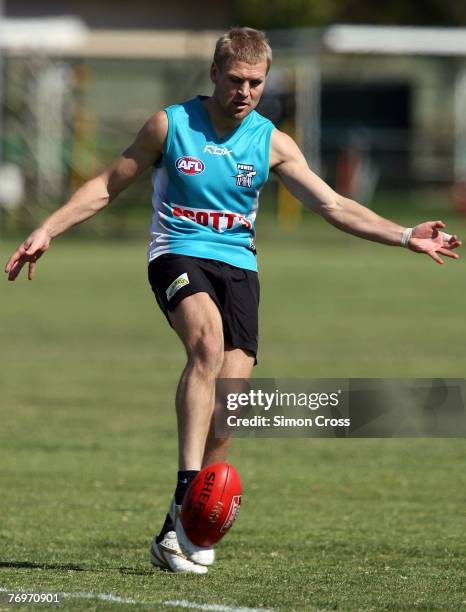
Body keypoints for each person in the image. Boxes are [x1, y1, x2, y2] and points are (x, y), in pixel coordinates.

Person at [4, 27, 461, 574]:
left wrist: (406, 235)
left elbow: (334, 205)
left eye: (257, 83)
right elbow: (107, 184)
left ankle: (183, 525)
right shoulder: (171, 125)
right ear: (215, 74)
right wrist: (48, 229)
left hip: (239, 267)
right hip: (176, 254)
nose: (246, 91)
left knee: (229, 405)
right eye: (237, 80)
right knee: (206, 344)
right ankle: (185, 490)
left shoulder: (271, 142)